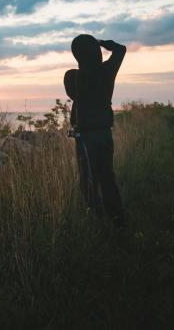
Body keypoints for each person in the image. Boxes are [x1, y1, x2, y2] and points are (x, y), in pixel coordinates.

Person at [64, 35, 126, 227]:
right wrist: (103, 43)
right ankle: (118, 220)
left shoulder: (72, 76)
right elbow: (121, 49)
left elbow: (72, 94)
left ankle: (96, 219)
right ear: (97, 52)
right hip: (105, 135)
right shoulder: (108, 71)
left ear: (77, 55)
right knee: (107, 178)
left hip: (85, 138)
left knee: (88, 180)